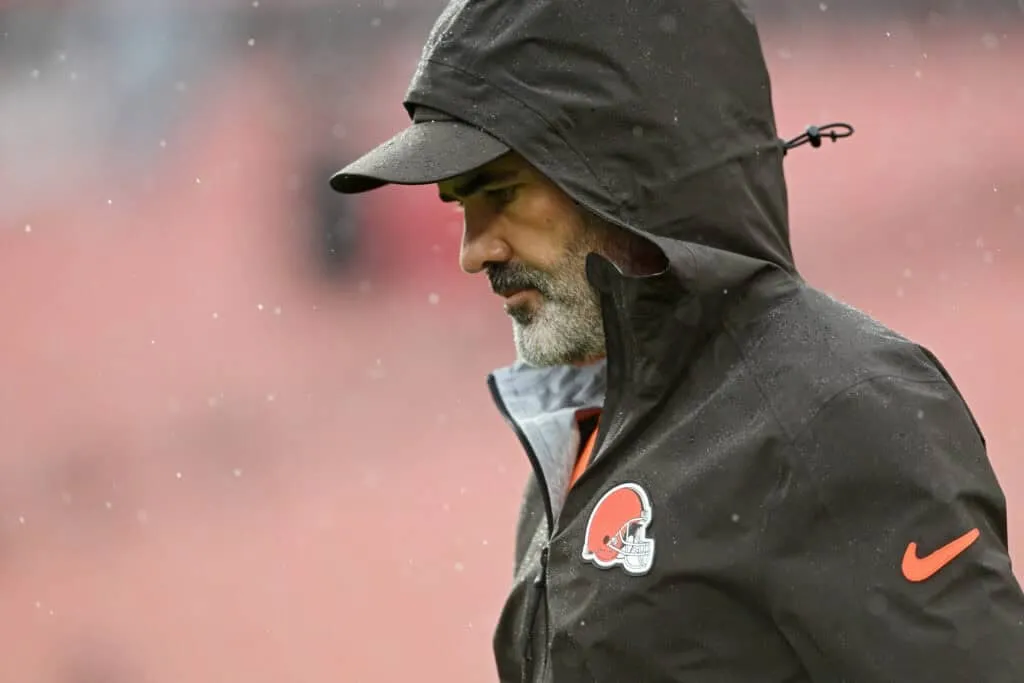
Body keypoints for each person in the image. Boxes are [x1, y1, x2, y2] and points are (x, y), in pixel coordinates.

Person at [329, 0, 1024, 680]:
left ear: (620, 172)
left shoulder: (839, 411)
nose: (473, 252)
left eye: (501, 194)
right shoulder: (583, 441)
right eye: (460, 205)